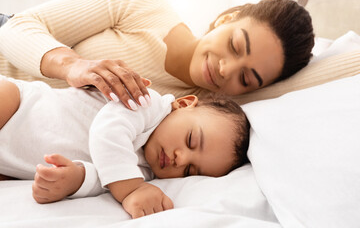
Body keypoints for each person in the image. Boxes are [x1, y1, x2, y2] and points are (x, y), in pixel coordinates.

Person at [0, 0, 314, 110]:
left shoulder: (196, 106)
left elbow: (338, 70)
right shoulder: (143, 5)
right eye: (234, 45)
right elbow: (16, 28)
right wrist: (72, 65)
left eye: (246, 79)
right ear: (226, 19)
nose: (225, 70)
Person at [0, 75, 250, 219]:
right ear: (183, 104)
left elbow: (105, 177)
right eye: (191, 140)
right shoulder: (146, 103)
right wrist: (132, 190)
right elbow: (108, 132)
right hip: (16, 106)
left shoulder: (145, 173)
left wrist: (77, 178)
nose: (180, 159)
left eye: (190, 171)